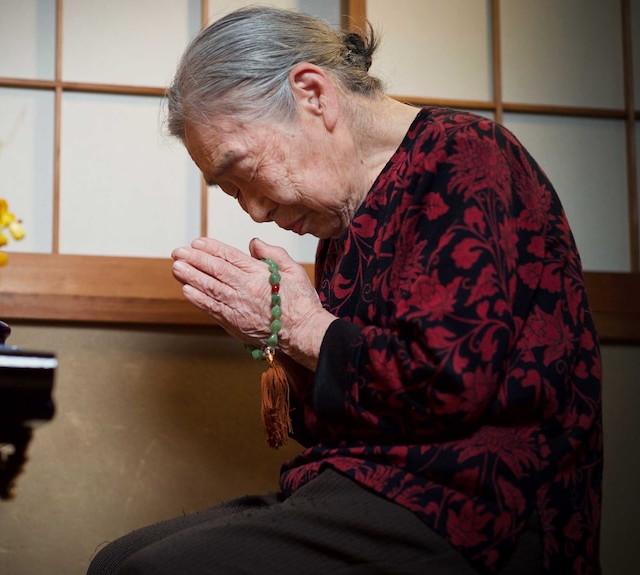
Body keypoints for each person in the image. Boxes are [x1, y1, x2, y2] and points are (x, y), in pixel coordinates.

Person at [87, 6, 602, 575]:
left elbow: (451, 384)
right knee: (116, 561)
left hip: (473, 501)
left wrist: (302, 326)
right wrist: (277, 335)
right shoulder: (342, 217)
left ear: (313, 94)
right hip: (362, 485)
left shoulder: (467, 156)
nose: (255, 209)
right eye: (231, 191)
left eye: (244, 170)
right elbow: (333, 422)